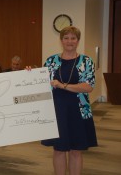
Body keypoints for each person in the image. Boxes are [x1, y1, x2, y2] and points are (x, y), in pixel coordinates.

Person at [41, 26, 97, 175]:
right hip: (56, 111)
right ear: (61, 40)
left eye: (73, 38)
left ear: (78, 41)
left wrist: (63, 85)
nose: (69, 41)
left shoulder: (86, 61)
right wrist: (29, 74)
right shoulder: (51, 60)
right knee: (58, 150)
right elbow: (41, 82)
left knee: (75, 150)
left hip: (78, 111)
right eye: (66, 38)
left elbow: (88, 87)